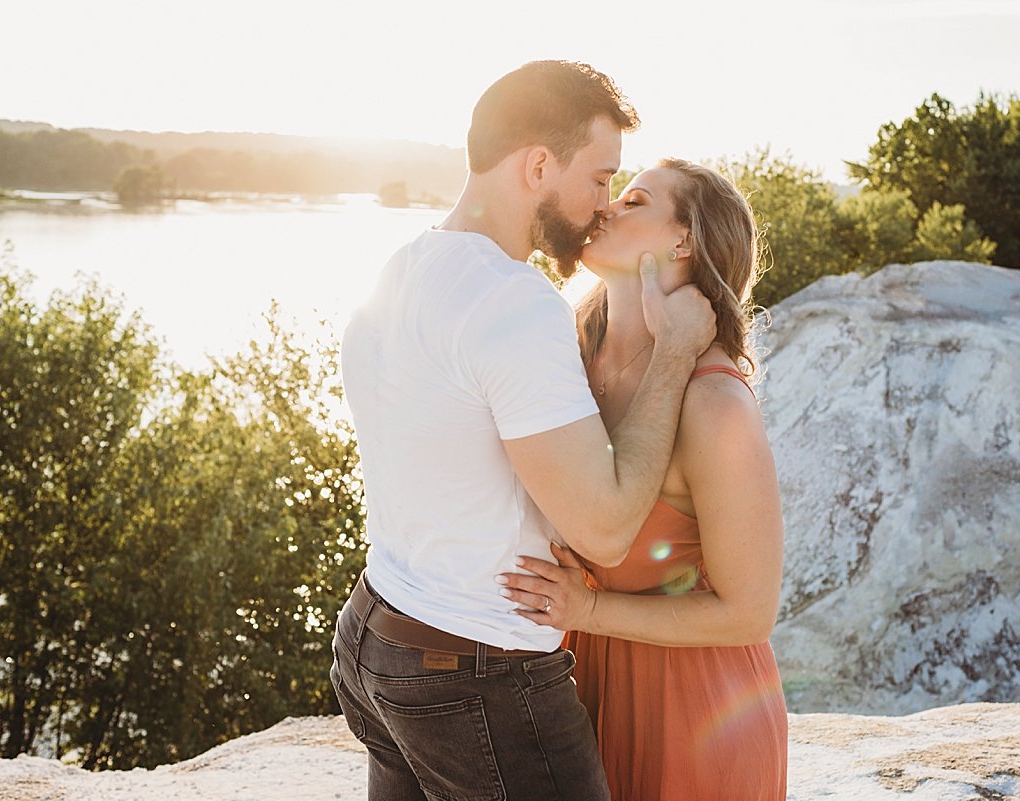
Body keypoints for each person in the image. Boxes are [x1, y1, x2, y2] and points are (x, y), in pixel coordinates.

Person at [331, 61, 717, 801]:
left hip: (375, 634)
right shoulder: (515, 302)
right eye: (601, 179)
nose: (603, 205)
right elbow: (605, 531)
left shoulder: (401, 269)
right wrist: (674, 355)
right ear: (539, 164)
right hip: (475, 669)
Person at [497, 158, 789, 801]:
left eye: (633, 202)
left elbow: (750, 614)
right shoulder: (568, 353)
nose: (605, 208)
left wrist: (589, 608)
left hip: (696, 718)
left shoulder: (714, 404)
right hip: (577, 687)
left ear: (682, 241)